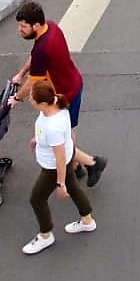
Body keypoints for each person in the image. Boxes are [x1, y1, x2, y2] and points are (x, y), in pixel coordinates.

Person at [11, 1, 107, 186]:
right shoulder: (51, 28)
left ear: (36, 25)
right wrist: (20, 74)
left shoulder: (42, 49)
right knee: (68, 131)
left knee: (62, 138)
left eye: (23, 26)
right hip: (73, 84)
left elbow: (33, 81)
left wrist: (16, 98)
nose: (19, 30)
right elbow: (34, 58)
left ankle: (93, 163)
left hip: (63, 96)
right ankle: (76, 166)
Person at [23, 80, 96, 255]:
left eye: (31, 98)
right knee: (74, 186)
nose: (29, 100)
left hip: (53, 167)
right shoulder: (57, 101)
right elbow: (48, 131)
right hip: (68, 154)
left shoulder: (53, 127)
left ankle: (45, 235)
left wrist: (59, 183)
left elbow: (60, 158)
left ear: (41, 103)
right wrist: (37, 138)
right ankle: (87, 221)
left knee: (36, 198)